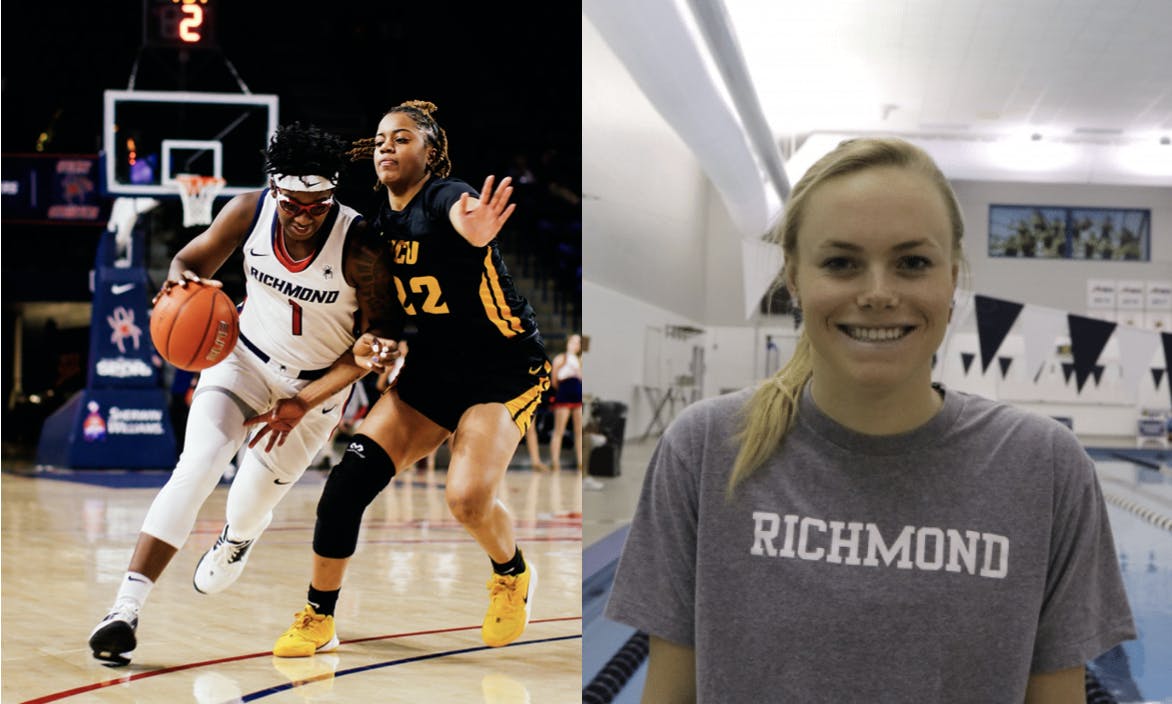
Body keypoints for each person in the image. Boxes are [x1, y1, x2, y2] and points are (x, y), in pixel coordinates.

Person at [604, 137, 1135, 702]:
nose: (878, 293)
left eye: (912, 263)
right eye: (841, 263)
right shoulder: (707, 449)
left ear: (952, 277)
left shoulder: (1044, 468)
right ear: (794, 280)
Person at [88, 123, 399, 666]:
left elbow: (369, 350)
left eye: (317, 205)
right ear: (274, 190)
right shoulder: (246, 211)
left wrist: (303, 401)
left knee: (249, 504)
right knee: (199, 464)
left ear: (333, 196)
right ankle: (124, 609)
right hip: (243, 360)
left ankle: (237, 537)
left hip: (317, 386)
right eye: (293, 204)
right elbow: (189, 261)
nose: (304, 215)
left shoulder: (362, 244)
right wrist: (181, 286)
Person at [248, 100, 550, 658]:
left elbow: (459, 210)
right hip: (432, 369)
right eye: (382, 138)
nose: (387, 145)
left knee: (465, 499)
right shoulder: (375, 228)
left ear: (430, 152)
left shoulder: (442, 197)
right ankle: (319, 616)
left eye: (403, 138)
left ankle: (512, 572)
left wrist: (472, 225)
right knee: (343, 491)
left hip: (502, 368)